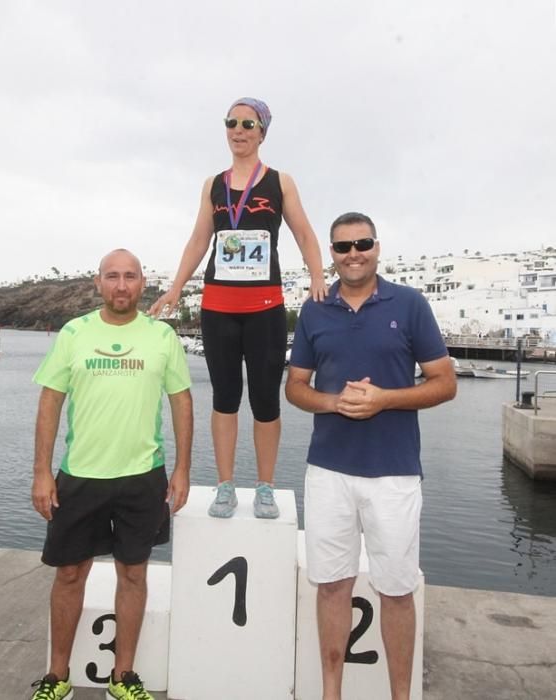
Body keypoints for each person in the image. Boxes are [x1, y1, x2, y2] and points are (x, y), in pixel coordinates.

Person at [285, 212, 456, 700]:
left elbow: (445, 383)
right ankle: (331, 693)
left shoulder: (411, 303)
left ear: (377, 247)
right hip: (328, 472)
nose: (353, 253)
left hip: (394, 473)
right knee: (332, 586)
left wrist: (384, 398)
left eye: (362, 243)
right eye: (342, 247)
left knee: (397, 591)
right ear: (332, 255)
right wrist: (333, 401)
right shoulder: (315, 310)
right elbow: (294, 388)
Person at [149, 97, 325, 520]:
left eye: (248, 123)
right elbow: (198, 239)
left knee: (266, 400)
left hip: (265, 306)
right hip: (218, 306)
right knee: (225, 398)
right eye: (231, 122)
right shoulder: (213, 184)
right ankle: (226, 486)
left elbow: (304, 233)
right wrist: (176, 287)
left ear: (262, 131)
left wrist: (318, 277)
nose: (239, 130)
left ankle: (264, 486)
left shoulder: (280, 182)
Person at [29, 249, 193, 700]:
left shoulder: (161, 336)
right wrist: (42, 472)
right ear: (98, 284)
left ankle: (123, 678)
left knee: (134, 574)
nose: (122, 285)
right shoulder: (74, 333)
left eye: (131, 277)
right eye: (112, 277)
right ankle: (56, 677)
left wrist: (182, 469)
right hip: (80, 476)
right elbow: (50, 402)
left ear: (144, 284)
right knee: (68, 575)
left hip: (143, 476)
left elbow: (181, 401)